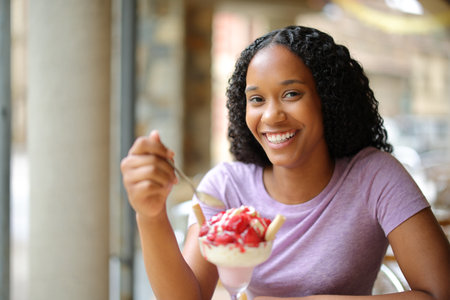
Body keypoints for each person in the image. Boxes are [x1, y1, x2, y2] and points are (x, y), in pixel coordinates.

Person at [120, 26, 450, 299]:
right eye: (257, 99)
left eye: (291, 94)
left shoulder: (374, 176)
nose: (272, 116)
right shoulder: (226, 187)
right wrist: (150, 215)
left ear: (327, 99)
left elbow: (439, 292)